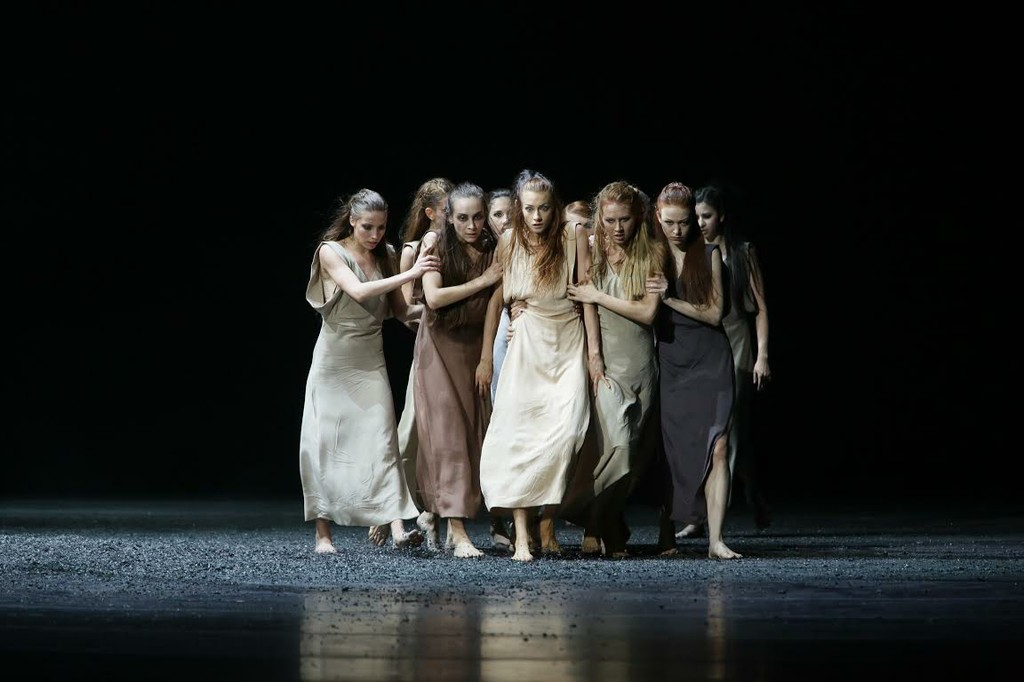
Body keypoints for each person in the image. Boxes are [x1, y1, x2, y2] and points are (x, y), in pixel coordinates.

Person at [298, 188, 440, 554]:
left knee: (383, 440)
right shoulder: (331, 251)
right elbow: (359, 292)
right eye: (367, 227)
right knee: (325, 443)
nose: (375, 235)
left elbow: (400, 311)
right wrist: (412, 273)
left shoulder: (387, 254)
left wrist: (440, 308)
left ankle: (397, 527)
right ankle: (323, 534)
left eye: (380, 227)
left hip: (370, 359)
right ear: (352, 221)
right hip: (335, 360)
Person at [478, 169, 594, 562]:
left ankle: (549, 517)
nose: (537, 216)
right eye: (529, 209)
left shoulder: (572, 236)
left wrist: (594, 354)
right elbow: (500, 297)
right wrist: (492, 348)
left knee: (568, 431)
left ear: (554, 207)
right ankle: (524, 536)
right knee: (520, 435)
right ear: (519, 208)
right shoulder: (509, 240)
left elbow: (586, 294)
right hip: (526, 343)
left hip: (567, 340)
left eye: (543, 208)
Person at [563, 181, 663, 558]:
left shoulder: (651, 253)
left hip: (640, 361)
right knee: (614, 446)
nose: (617, 228)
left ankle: (605, 521)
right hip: (607, 362)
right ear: (599, 218)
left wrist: (598, 295)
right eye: (609, 220)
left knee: (632, 454)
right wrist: (594, 354)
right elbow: (586, 304)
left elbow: (648, 313)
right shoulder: (592, 249)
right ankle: (584, 514)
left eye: (624, 220)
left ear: (637, 217)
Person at [649, 181, 741, 560]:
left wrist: (669, 298)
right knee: (672, 449)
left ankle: (716, 540)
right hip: (672, 361)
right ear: (658, 217)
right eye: (670, 222)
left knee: (719, 445)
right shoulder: (652, 255)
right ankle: (666, 530)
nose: (678, 230)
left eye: (684, 222)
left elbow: (715, 313)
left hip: (710, 359)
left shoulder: (709, 253)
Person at [413, 182, 503, 557]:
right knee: (447, 436)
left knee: (472, 435)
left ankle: (436, 514)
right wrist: (483, 280)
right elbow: (434, 297)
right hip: (438, 347)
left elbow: (496, 304)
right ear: (449, 217)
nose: (471, 225)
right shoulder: (436, 244)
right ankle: (459, 530)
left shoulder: (494, 248)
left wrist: (486, 358)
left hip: (473, 348)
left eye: (478, 217)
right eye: (463, 218)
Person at [695, 183, 773, 531]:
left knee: (728, 431)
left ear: (722, 216)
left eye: (706, 216)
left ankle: (709, 517)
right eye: (696, 216)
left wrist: (762, 355)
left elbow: (761, 308)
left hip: (738, 343)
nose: (700, 223)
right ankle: (751, 491)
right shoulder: (695, 252)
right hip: (706, 345)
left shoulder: (742, 252)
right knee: (711, 432)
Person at [393, 177, 452, 547]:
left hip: (458, 346)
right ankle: (393, 510)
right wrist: (436, 308)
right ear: (430, 213)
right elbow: (404, 311)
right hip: (429, 346)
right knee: (413, 430)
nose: (453, 215)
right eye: (447, 210)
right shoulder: (413, 249)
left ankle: (436, 513)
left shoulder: (461, 246)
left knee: (448, 434)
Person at [483, 187, 516, 551]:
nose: (505, 220)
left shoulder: (519, 242)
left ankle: (520, 516)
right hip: (484, 340)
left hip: (511, 333)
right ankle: (496, 517)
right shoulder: (483, 249)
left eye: (510, 212)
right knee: (492, 424)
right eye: (497, 214)